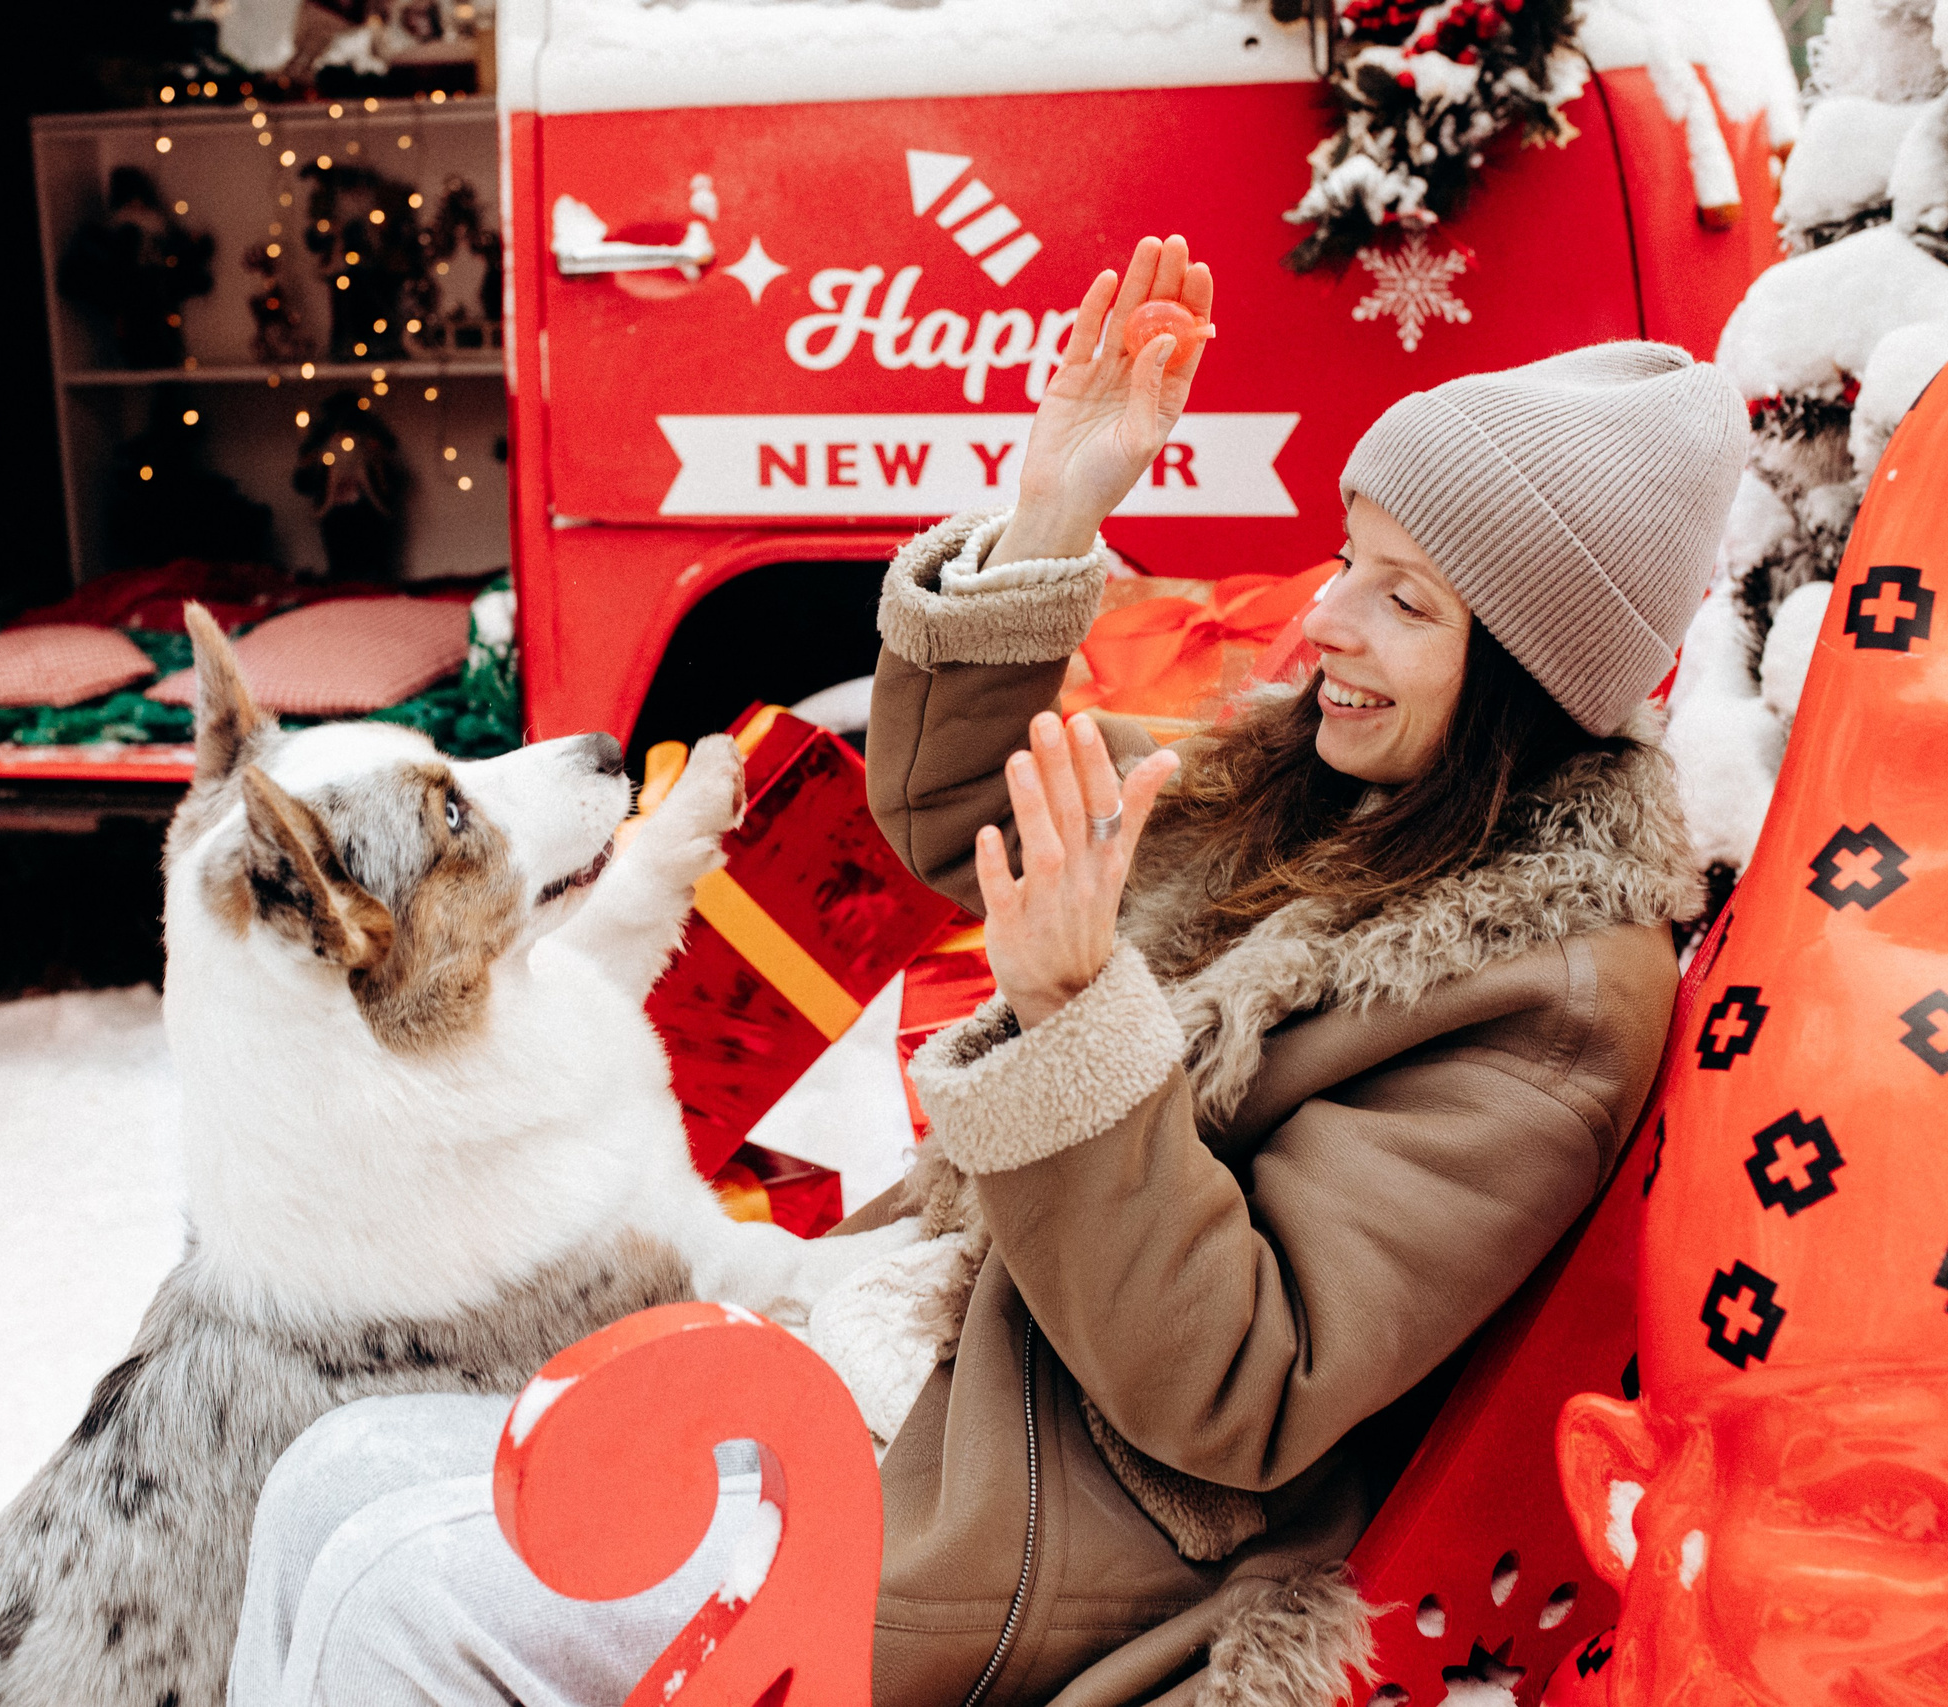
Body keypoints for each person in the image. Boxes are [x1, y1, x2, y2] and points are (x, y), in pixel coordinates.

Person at [228, 235, 1744, 1707]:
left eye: (1408, 598)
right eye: (1353, 557)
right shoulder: (1326, 788)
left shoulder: (1539, 994)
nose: (1324, 614)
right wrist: (1055, 510)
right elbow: (968, 815)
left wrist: (1077, 1020)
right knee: (321, 1484)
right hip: (912, 1359)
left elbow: (1239, 1388)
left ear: (1534, 679)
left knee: (395, 1591)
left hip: (1036, 1526)